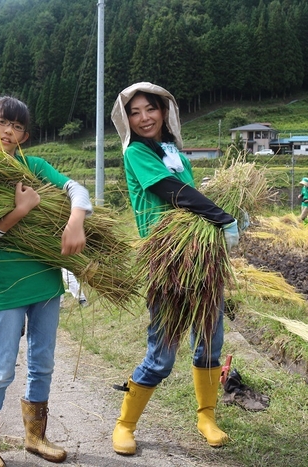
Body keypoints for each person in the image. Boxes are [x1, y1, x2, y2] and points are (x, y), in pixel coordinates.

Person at [109, 82, 239, 455]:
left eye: (150, 109)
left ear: (165, 111)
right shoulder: (135, 151)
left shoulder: (173, 150)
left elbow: (189, 190)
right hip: (166, 262)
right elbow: (171, 190)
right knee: (162, 353)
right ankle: (125, 424)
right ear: (126, 120)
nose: (143, 118)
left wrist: (223, 216)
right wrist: (222, 216)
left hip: (201, 259)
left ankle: (207, 417)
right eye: (134, 112)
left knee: (210, 343)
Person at [0, 95, 92, 467]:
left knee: (43, 361)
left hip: (45, 282)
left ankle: (35, 436)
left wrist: (75, 221)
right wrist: (20, 211)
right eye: (3, 122)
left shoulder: (34, 166)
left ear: (25, 135)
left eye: (18, 127)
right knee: (2, 364)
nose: (9, 131)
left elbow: (78, 190)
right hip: (6, 285)